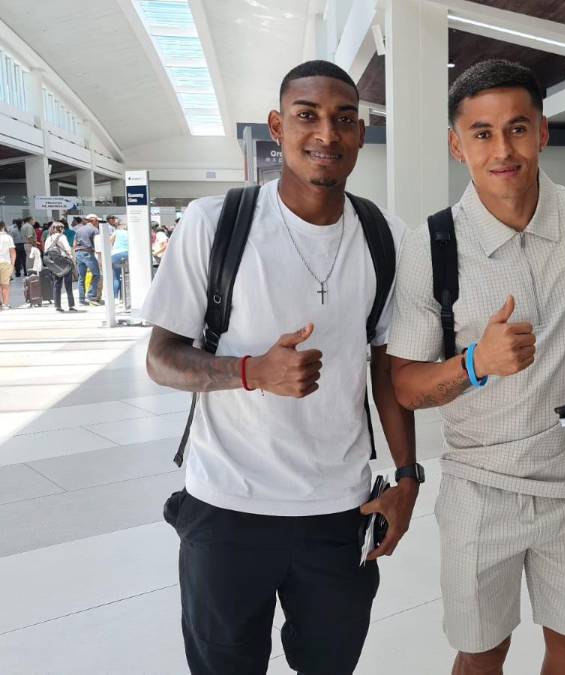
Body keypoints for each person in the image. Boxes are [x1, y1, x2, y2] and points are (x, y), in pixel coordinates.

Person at [143, 60, 417, 675]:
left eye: (344, 119)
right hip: (226, 506)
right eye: (307, 115)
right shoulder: (214, 223)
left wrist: (407, 476)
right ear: (276, 126)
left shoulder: (386, 237)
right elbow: (161, 359)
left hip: (340, 510)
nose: (327, 133)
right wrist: (252, 372)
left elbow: (387, 368)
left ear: (361, 132)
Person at [388, 60, 565, 675]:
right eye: (481, 133)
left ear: (543, 132)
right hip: (480, 486)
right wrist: (477, 362)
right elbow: (405, 386)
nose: (502, 150)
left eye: (517, 128)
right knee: (481, 652)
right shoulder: (432, 246)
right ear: (457, 145)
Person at [44, 222, 78, 313]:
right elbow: (67, 249)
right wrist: (72, 259)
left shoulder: (48, 238)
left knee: (57, 284)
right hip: (64, 262)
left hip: (54, 263)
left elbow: (45, 250)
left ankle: (58, 306)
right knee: (68, 284)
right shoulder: (62, 237)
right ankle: (71, 305)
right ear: (61, 229)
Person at [73, 214, 101, 305]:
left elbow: (74, 244)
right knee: (96, 274)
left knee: (81, 277)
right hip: (88, 253)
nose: (98, 223)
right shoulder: (95, 230)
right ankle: (91, 296)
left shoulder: (79, 230)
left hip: (78, 253)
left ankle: (81, 299)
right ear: (94, 220)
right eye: (97, 221)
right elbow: (98, 245)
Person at [109, 217, 129, 301]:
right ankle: (124, 298)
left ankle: (116, 298)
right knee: (126, 276)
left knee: (116, 277)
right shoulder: (129, 233)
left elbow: (109, 241)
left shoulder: (116, 232)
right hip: (127, 254)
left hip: (116, 254)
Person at [0, 221, 15, 309]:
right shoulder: (8, 237)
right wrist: (12, 264)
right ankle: (5, 304)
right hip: (5, 263)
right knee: (5, 285)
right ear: (3, 227)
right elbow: (12, 252)